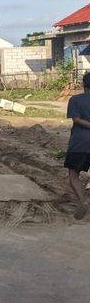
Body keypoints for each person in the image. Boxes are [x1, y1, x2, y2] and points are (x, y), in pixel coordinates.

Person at [65, 72, 90, 219]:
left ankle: (83, 202)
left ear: (83, 84)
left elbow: (76, 119)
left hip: (80, 143)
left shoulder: (75, 100)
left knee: (74, 175)